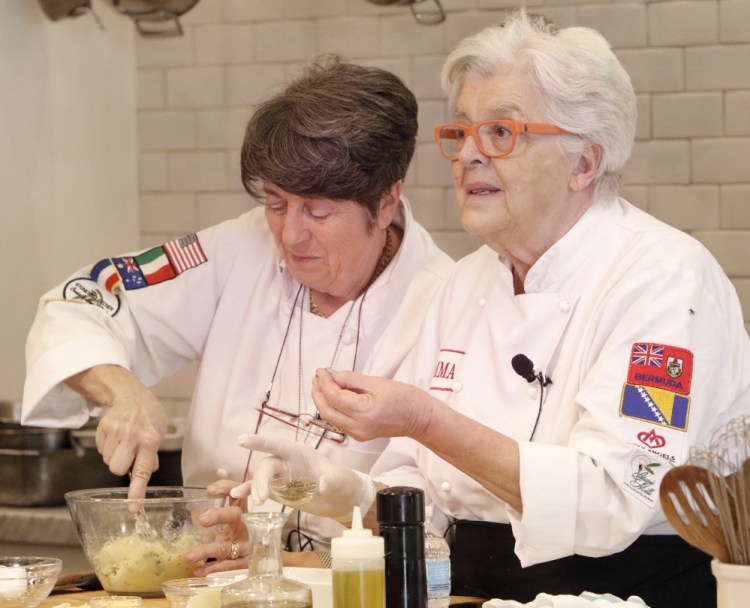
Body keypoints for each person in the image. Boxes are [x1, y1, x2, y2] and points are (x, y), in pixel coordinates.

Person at [239, 11, 750, 608]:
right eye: (460, 133)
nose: (468, 156)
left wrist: (425, 418)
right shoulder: (463, 285)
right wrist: (328, 486)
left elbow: (617, 498)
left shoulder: (664, 281)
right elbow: (424, 497)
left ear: (583, 161)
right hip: (471, 594)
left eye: (501, 134)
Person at [21, 56, 454, 567]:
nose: (291, 235)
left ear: (385, 203)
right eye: (275, 203)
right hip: (208, 584)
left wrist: (277, 560)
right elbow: (79, 300)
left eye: (317, 211)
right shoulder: (236, 248)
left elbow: (434, 533)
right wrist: (124, 391)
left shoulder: (445, 302)